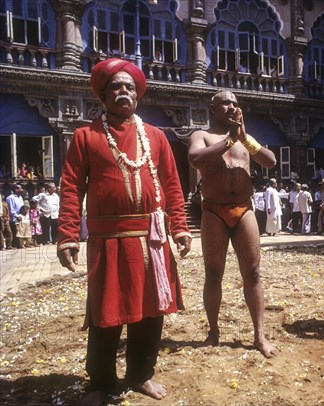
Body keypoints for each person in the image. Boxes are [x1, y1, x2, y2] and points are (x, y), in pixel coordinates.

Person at [57, 58, 192, 404]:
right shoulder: (85, 137)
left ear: (137, 95)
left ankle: (140, 375)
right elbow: (71, 187)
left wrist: (180, 227)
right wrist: (68, 235)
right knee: (106, 312)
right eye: (115, 87)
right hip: (107, 240)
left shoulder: (157, 137)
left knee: (150, 310)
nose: (123, 92)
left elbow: (173, 186)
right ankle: (100, 383)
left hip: (152, 240)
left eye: (129, 87)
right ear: (102, 96)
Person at [187, 90, 278, 358]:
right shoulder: (202, 135)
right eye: (225, 102)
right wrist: (229, 141)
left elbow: (270, 161)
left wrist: (244, 140)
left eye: (235, 103)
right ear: (212, 108)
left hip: (244, 209)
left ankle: (259, 335)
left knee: (253, 273)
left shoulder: (244, 139)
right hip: (213, 211)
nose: (231, 107)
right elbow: (195, 159)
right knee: (213, 274)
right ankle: (213, 331)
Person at [6, 183, 24, 248]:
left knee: (19, 231)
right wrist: (16, 216)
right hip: (13, 218)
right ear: (16, 189)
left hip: (20, 217)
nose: (22, 189)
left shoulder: (20, 197)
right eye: (20, 188)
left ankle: (19, 244)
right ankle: (13, 245)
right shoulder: (10, 198)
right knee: (14, 231)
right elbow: (11, 209)